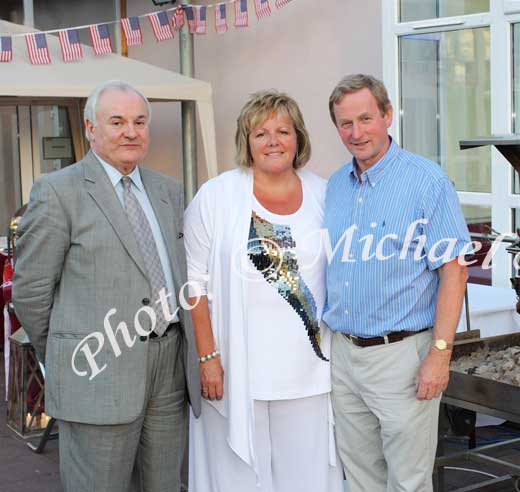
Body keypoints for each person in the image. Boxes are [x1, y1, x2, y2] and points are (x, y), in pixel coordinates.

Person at [12, 80, 200, 492]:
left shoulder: (168, 191)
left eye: (139, 121)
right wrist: (70, 350)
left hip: (168, 368)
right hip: (98, 368)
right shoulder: (58, 192)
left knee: (165, 484)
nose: (130, 132)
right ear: (90, 128)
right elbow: (30, 293)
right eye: (116, 121)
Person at [184, 90, 343, 492]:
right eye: (261, 133)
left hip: (309, 370)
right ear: (246, 141)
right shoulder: (215, 196)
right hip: (236, 369)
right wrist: (207, 357)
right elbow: (194, 284)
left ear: (299, 138)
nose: (273, 141)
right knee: (238, 479)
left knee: (306, 479)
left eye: (283, 131)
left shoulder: (327, 194)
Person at [324, 74, 471, 492]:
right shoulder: (335, 186)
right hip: (345, 355)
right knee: (361, 477)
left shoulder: (426, 181)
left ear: (387, 115)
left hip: (403, 357)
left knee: (407, 481)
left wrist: (440, 355)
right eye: (345, 124)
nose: (357, 132)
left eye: (366, 118)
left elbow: (454, 270)